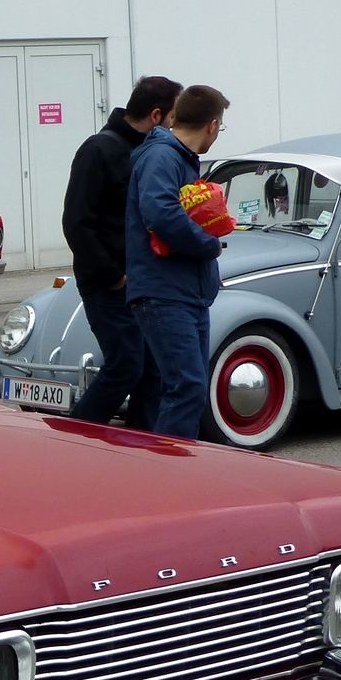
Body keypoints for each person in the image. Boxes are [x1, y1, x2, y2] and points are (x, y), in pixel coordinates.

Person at [61, 75, 182, 428]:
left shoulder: (153, 153)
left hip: (144, 283)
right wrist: (114, 275)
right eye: (175, 118)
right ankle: (76, 437)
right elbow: (77, 223)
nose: (178, 127)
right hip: (109, 284)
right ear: (157, 116)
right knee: (127, 364)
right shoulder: (98, 150)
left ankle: (143, 451)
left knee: (152, 370)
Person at [124, 84, 231, 439]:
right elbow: (160, 212)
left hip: (186, 293)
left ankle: (177, 469)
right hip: (165, 294)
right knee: (186, 387)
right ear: (213, 125)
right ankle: (171, 480)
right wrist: (208, 245)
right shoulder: (163, 157)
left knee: (190, 389)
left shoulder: (176, 157)